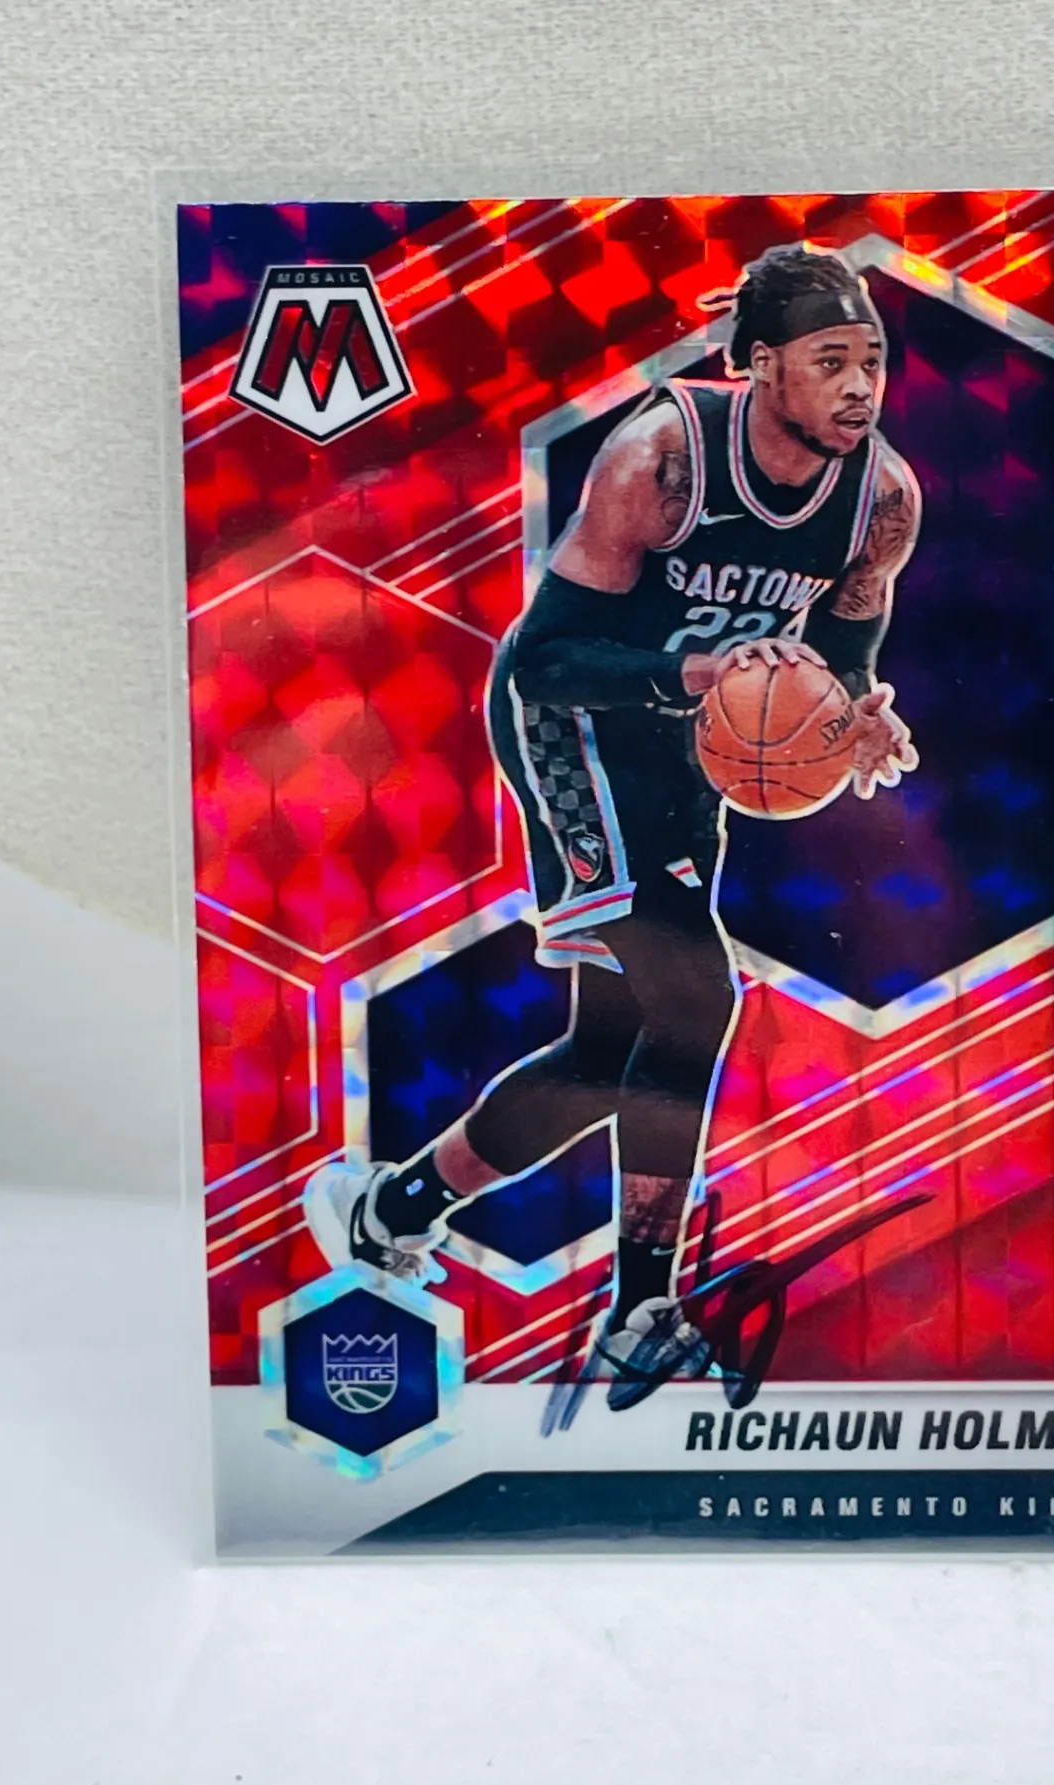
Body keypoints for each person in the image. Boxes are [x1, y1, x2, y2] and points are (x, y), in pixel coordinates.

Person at [306, 243, 923, 1406]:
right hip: (576, 727)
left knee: (612, 1054)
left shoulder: (880, 500)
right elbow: (545, 660)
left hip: (688, 745)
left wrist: (860, 712)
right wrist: (691, 673)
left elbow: (845, 652)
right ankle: (642, 1311)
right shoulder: (664, 458)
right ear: (760, 365)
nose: (859, 387)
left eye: (872, 361)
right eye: (830, 360)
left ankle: (393, 1207)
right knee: (695, 997)